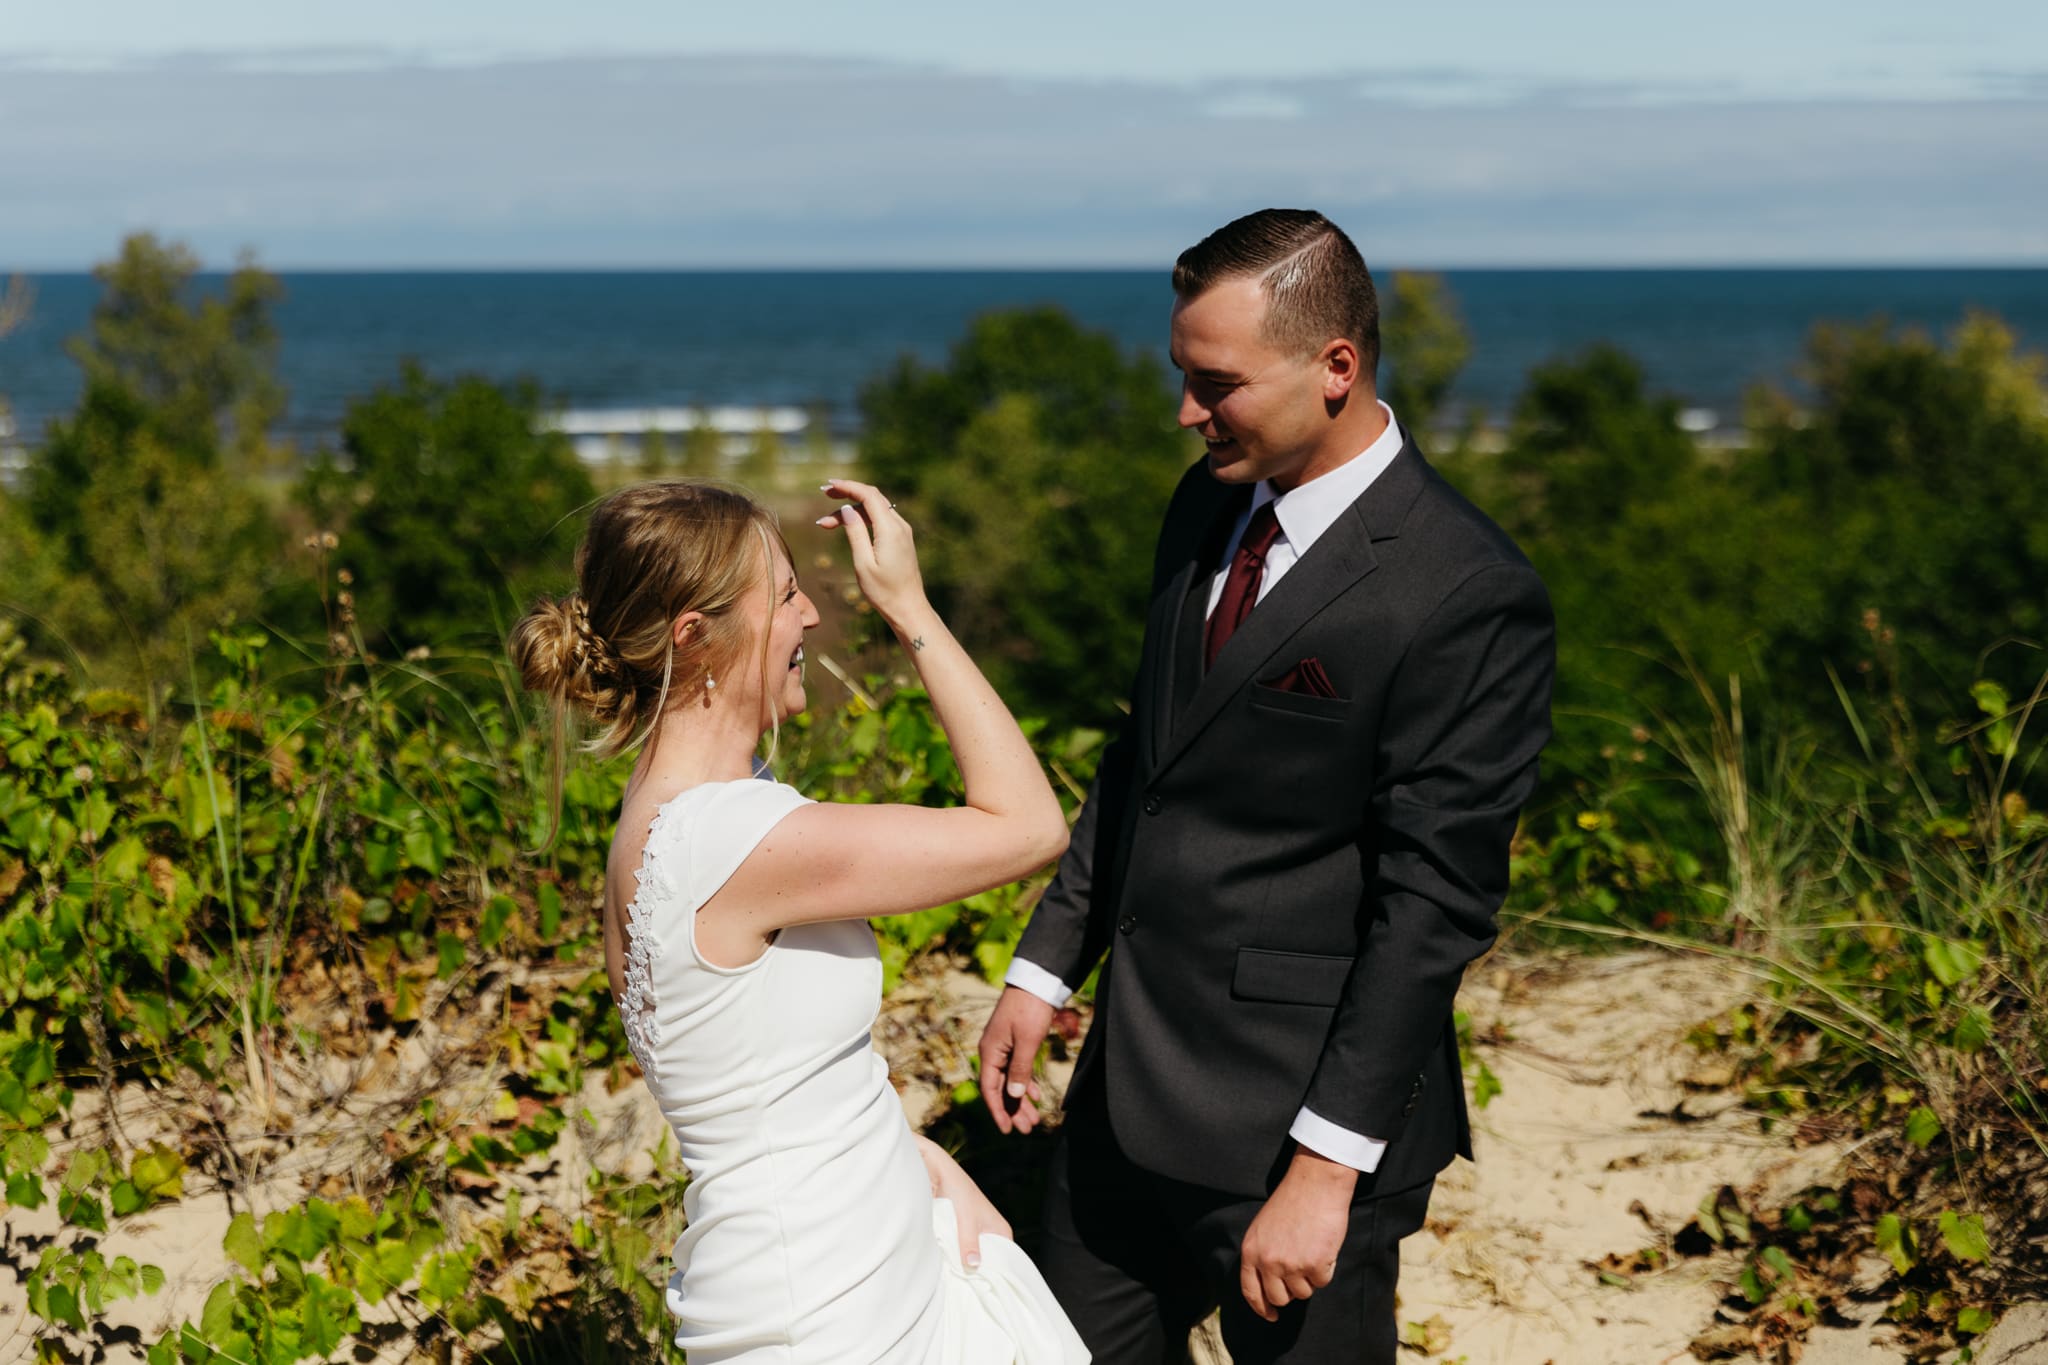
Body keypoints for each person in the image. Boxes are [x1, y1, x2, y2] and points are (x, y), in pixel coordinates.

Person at [976, 209, 1556, 1364]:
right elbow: (1147, 760)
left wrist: (1324, 1170)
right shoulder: (1200, 507)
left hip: (1292, 1138)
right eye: (1181, 376)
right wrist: (1044, 966)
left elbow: (1430, 906)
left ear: (1334, 367)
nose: (1186, 412)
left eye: (1216, 384)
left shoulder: (1464, 590)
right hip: (1119, 1102)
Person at [511, 478, 1089, 1365]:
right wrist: (908, 605)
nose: (812, 616)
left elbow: (767, 1088)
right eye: (784, 595)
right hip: (829, 1308)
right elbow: (1028, 826)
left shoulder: (671, 822)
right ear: (696, 639)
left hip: (847, 1266)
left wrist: (923, 1164)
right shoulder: (730, 840)